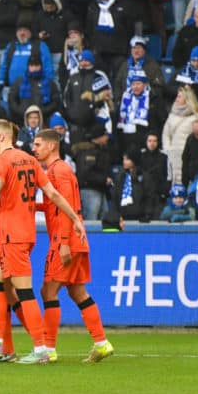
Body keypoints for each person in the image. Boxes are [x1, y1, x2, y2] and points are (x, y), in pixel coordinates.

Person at [0, 118, 85, 364]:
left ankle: (41, 349)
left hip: (13, 237)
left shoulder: (1, 160)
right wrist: (75, 218)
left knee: (24, 291)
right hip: (24, 233)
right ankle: (0, 345)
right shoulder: (30, 160)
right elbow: (52, 194)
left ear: (2, 137)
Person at [31, 128, 114, 363]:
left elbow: (67, 207)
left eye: (38, 145)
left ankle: (48, 348)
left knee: (48, 291)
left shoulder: (60, 170)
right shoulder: (57, 171)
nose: (34, 149)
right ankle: (102, 343)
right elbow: (54, 206)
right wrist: (28, 207)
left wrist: (65, 243)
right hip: (71, 240)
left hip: (65, 240)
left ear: (51, 146)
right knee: (77, 292)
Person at [62, 50, 114, 145]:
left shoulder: (98, 76)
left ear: (92, 61)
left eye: (86, 60)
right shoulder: (73, 77)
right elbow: (66, 97)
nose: (84, 63)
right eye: (81, 61)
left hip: (94, 124)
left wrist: (93, 107)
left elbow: (107, 96)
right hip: (76, 124)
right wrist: (71, 113)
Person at [85, 0, 133, 79]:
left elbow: (129, 28)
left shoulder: (122, 5)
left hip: (118, 51)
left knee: (118, 78)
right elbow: (89, 29)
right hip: (100, 51)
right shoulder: (93, 7)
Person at [163, 86, 198, 185]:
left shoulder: (197, 117)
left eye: (179, 97)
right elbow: (165, 134)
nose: (177, 99)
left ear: (187, 99)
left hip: (187, 157)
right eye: (177, 96)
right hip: (171, 157)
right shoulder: (172, 115)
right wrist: (168, 149)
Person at [73, 124, 112, 220]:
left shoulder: (101, 151)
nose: (107, 138)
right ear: (99, 137)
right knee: (91, 219)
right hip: (89, 190)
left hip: (101, 189)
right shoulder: (88, 152)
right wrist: (103, 179)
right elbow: (85, 174)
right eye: (105, 135)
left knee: (104, 217)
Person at [109, 147, 156, 223]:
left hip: (140, 218)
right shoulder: (120, 176)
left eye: (127, 159)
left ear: (134, 160)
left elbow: (149, 197)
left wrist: (147, 214)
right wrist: (115, 214)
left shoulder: (144, 177)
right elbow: (115, 197)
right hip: (122, 217)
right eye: (123, 159)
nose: (124, 162)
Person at [8, 56, 60, 125]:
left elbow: (55, 101)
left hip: (44, 120)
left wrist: (42, 111)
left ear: (41, 66)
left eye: (37, 65)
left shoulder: (49, 83)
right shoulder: (19, 82)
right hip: (22, 120)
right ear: (28, 67)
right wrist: (22, 111)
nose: (34, 68)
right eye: (32, 65)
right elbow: (12, 99)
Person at [140, 132, 172, 218]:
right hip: (144, 195)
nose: (152, 143)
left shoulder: (164, 157)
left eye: (155, 141)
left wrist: (164, 192)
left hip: (159, 195)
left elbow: (169, 176)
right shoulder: (140, 156)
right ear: (146, 142)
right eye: (150, 141)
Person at [181, 118, 198, 187]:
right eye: (195, 134)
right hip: (193, 181)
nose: (197, 137)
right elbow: (185, 160)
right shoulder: (191, 139)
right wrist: (185, 182)